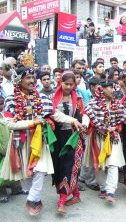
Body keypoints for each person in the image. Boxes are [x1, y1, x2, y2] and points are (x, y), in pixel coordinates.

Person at [0, 68, 82, 215]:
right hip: (21, 142)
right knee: (27, 173)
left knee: (41, 169)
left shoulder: (41, 98)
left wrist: (73, 120)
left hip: (40, 141)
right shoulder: (11, 99)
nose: (32, 81)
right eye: (28, 78)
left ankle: (32, 199)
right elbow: (9, 123)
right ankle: (36, 199)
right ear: (18, 81)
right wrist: (32, 123)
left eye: (33, 77)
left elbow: (56, 114)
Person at [82, 80, 126, 203]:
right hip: (97, 138)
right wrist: (84, 125)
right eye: (110, 88)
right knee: (100, 165)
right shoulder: (93, 104)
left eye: (113, 88)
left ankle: (110, 191)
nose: (113, 91)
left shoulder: (117, 105)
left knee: (113, 164)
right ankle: (103, 188)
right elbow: (86, 115)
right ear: (102, 89)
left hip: (113, 138)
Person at [50, 71, 86, 214]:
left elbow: (82, 116)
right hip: (57, 137)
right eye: (66, 83)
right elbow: (51, 115)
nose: (68, 87)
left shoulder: (78, 98)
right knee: (58, 166)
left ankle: (62, 200)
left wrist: (83, 125)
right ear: (60, 82)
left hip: (73, 137)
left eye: (71, 84)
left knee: (69, 167)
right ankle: (76, 194)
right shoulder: (52, 98)